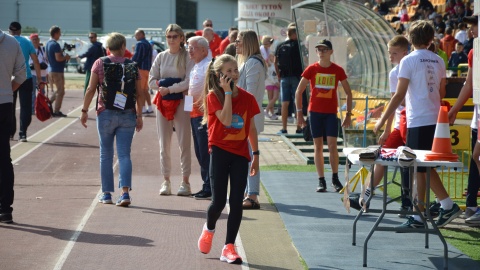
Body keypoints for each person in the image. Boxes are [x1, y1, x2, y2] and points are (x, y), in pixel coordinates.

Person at [374, 20, 461, 229]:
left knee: (418, 167)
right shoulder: (439, 60)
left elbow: (399, 95)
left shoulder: (408, 61)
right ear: (431, 39)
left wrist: (383, 118)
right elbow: (441, 93)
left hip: (418, 119)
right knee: (423, 166)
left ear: (411, 39)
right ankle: (439, 206)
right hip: (435, 121)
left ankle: (425, 213)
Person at [197, 54, 260, 264]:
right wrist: (227, 92)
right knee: (217, 203)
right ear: (219, 75)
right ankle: (209, 228)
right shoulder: (213, 96)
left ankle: (228, 247)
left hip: (241, 153)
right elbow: (224, 120)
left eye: (235, 70)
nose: (234, 74)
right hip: (220, 151)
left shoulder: (248, 98)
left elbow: (250, 127)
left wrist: (256, 155)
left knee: (236, 202)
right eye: (229, 71)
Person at [80, 32, 143, 206]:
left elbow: (91, 89)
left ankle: (106, 194)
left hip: (105, 112)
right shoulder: (132, 65)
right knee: (124, 155)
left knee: (106, 155)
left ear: (108, 47)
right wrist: (139, 115)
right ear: (123, 47)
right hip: (128, 113)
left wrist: (84, 110)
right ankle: (125, 194)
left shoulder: (100, 63)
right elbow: (140, 92)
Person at [355, 35, 412, 214]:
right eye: (389, 53)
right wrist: (387, 128)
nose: (390, 56)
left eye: (394, 53)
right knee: (382, 158)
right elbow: (393, 102)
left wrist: (386, 126)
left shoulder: (407, 67)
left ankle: (409, 200)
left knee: (410, 162)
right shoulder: (395, 72)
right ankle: (366, 195)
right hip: (399, 122)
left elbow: (397, 100)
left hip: (410, 121)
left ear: (405, 52)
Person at [295, 39, 352, 193]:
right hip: (315, 113)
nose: (321, 52)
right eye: (319, 49)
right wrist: (299, 113)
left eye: (325, 49)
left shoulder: (337, 70)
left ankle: (335, 178)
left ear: (331, 52)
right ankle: (321, 180)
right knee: (318, 146)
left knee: (333, 146)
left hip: (331, 113)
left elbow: (348, 92)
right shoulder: (311, 69)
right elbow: (298, 91)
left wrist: (348, 115)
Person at [148, 24, 194, 196]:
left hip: (182, 101)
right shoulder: (161, 56)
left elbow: (188, 81)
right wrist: (162, 86)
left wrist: (170, 88)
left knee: (184, 142)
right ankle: (166, 180)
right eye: (169, 36)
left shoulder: (187, 57)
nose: (172, 39)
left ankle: (185, 181)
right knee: (164, 143)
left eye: (175, 36)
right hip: (163, 102)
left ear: (182, 38)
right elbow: (151, 81)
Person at [448, 15, 480, 224]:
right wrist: (454, 111)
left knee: (477, 156)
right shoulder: (472, 53)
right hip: (477, 117)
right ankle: (471, 205)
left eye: (473, 27)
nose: (470, 31)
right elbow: (468, 84)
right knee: (475, 158)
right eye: (469, 27)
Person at [235, 30, 267, 209]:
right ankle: (250, 192)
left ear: (247, 42)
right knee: (247, 156)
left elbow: (251, 94)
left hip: (249, 117)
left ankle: (253, 194)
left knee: (251, 156)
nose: (236, 44)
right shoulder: (249, 62)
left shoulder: (253, 63)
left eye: (239, 41)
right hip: (245, 116)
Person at [0, 28, 26, 224]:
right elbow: (21, 75)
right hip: (4, 103)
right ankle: (5, 209)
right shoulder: (11, 42)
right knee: (3, 157)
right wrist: (8, 90)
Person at [187, 36, 212, 200]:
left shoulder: (209, 66)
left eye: (192, 47)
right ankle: (206, 185)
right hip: (194, 115)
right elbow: (190, 90)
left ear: (203, 50)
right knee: (199, 152)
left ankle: (210, 186)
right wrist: (187, 111)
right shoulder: (196, 66)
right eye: (188, 47)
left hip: (204, 116)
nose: (189, 50)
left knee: (205, 153)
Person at [8, 22, 42, 142]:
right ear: (20, 31)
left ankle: (10, 133)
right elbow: (35, 60)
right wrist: (39, 78)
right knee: (26, 107)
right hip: (26, 77)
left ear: (9, 31)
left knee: (9, 106)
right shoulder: (27, 42)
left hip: (9, 77)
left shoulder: (5, 42)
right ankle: (23, 134)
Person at [274, 26, 303, 134]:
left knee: (284, 103)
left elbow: (275, 61)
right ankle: (299, 128)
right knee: (297, 102)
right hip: (296, 77)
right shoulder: (299, 46)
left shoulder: (280, 45)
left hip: (284, 78)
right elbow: (304, 60)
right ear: (294, 34)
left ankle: (284, 128)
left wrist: (278, 75)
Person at [45, 25, 70, 117]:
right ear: (55, 34)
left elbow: (47, 56)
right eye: (59, 33)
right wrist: (66, 57)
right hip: (57, 71)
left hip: (52, 69)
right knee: (61, 91)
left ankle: (47, 103)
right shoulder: (55, 44)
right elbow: (58, 58)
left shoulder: (48, 43)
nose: (60, 35)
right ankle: (56, 111)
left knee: (59, 90)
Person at [132, 29, 153, 114]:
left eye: (136, 35)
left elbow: (137, 57)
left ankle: (143, 108)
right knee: (145, 90)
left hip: (140, 69)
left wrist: (130, 63)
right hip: (147, 69)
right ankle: (150, 107)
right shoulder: (148, 43)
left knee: (140, 90)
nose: (135, 36)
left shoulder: (140, 44)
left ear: (141, 35)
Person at [29, 33, 48, 114]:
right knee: (32, 92)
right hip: (33, 74)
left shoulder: (43, 49)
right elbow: (29, 63)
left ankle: (41, 108)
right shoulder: (29, 50)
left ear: (39, 40)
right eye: (33, 39)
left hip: (43, 74)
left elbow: (47, 61)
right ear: (30, 41)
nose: (35, 41)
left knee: (42, 92)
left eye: (36, 39)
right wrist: (36, 65)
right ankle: (33, 109)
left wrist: (42, 66)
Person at [264, 53, 280, 120]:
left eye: (273, 56)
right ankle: (272, 113)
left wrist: (277, 82)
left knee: (275, 97)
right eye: (270, 56)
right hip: (269, 83)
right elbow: (268, 76)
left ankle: (266, 110)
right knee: (271, 99)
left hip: (276, 83)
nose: (272, 57)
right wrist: (274, 82)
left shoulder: (276, 65)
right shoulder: (268, 66)